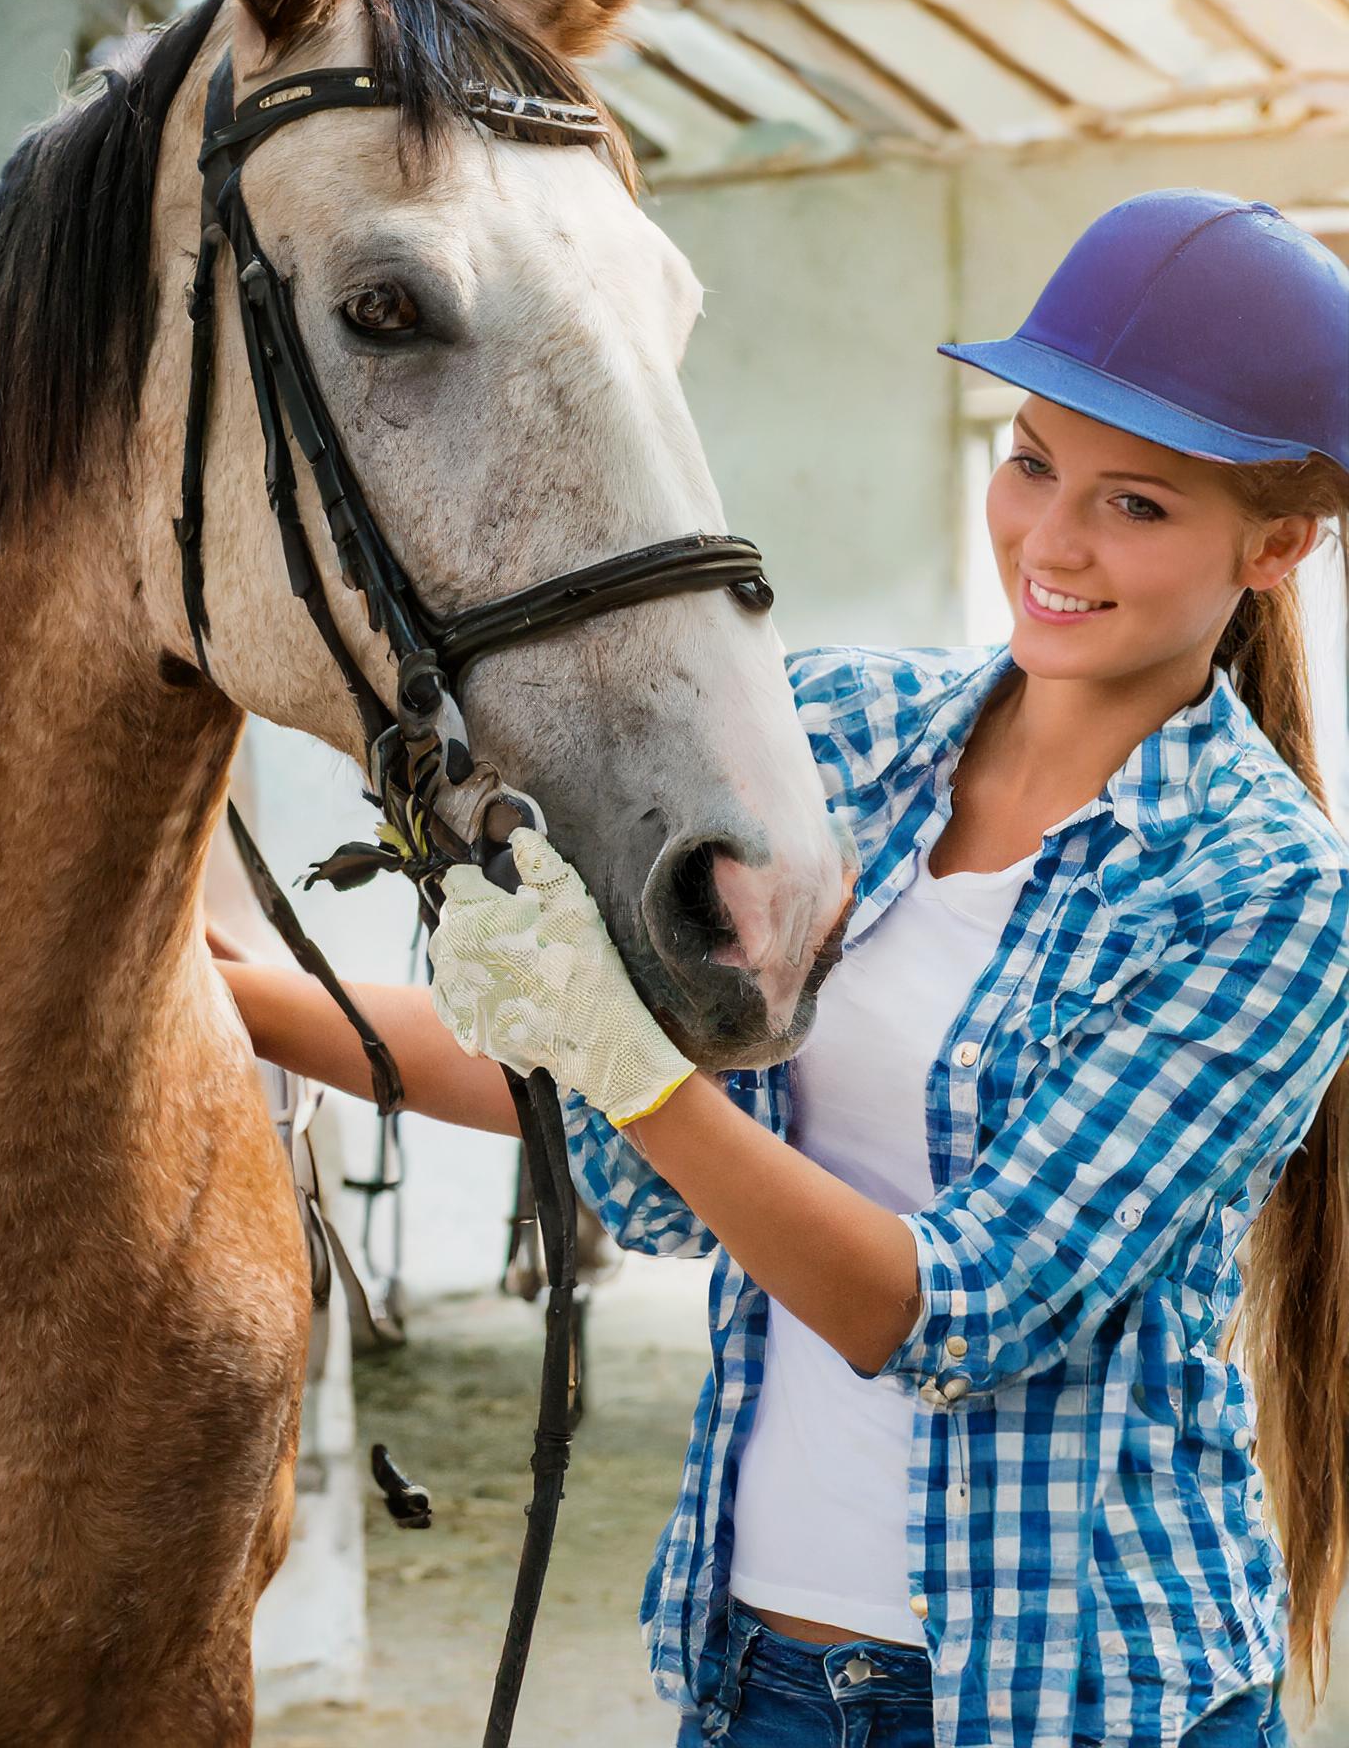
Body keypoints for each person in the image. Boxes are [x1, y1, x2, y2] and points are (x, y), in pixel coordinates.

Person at [215, 190, 1349, 1746]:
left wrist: (630, 1063)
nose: (1053, 540)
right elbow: (621, 1119)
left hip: (1081, 1700)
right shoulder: (845, 738)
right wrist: (216, 989)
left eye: (1136, 505)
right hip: (762, 1681)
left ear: (1277, 545)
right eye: (1030, 465)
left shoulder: (1265, 894)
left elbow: (956, 1310)